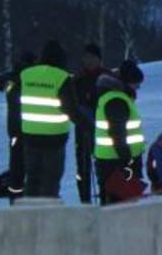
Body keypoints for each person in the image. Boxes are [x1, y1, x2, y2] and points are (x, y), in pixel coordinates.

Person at [18, 41, 80, 200]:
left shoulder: (26, 74)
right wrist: (86, 124)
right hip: (55, 138)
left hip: (30, 136)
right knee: (50, 181)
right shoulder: (61, 77)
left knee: (32, 179)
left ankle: (29, 216)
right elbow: (70, 109)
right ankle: (48, 215)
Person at [92, 60, 147, 204]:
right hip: (116, 163)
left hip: (115, 161)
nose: (138, 88)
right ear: (128, 82)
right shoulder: (117, 100)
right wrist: (127, 162)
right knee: (119, 206)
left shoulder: (117, 98)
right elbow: (118, 133)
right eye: (136, 84)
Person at [0, 50, 36, 201]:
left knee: (21, 169)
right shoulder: (13, 79)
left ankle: (19, 196)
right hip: (22, 131)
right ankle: (18, 197)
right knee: (20, 169)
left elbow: (1, 85)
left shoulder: (18, 79)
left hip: (22, 131)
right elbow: (0, 84)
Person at [71, 43, 105, 204]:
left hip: (103, 129)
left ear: (99, 59)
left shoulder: (106, 78)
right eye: (86, 58)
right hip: (82, 129)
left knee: (103, 166)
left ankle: (106, 197)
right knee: (82, 168)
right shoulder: (77, 79)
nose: (88, 61)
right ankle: (84, 201)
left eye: (92, 57)